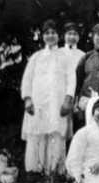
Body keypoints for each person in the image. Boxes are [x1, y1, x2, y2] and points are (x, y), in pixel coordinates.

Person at [21, 19, 76, 174]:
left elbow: (71, 79)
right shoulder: (36, 57)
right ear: (42, 36)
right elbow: (27, 78)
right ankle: (35, 172)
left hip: (57, 103)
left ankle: (54, 173)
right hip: (38, 102)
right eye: (47, 33)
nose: (50, 36)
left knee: (55, 133)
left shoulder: (65, 57)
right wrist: (27, 99)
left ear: (59, 35)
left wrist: (68, 99)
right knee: (37, 133)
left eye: (53, 33)